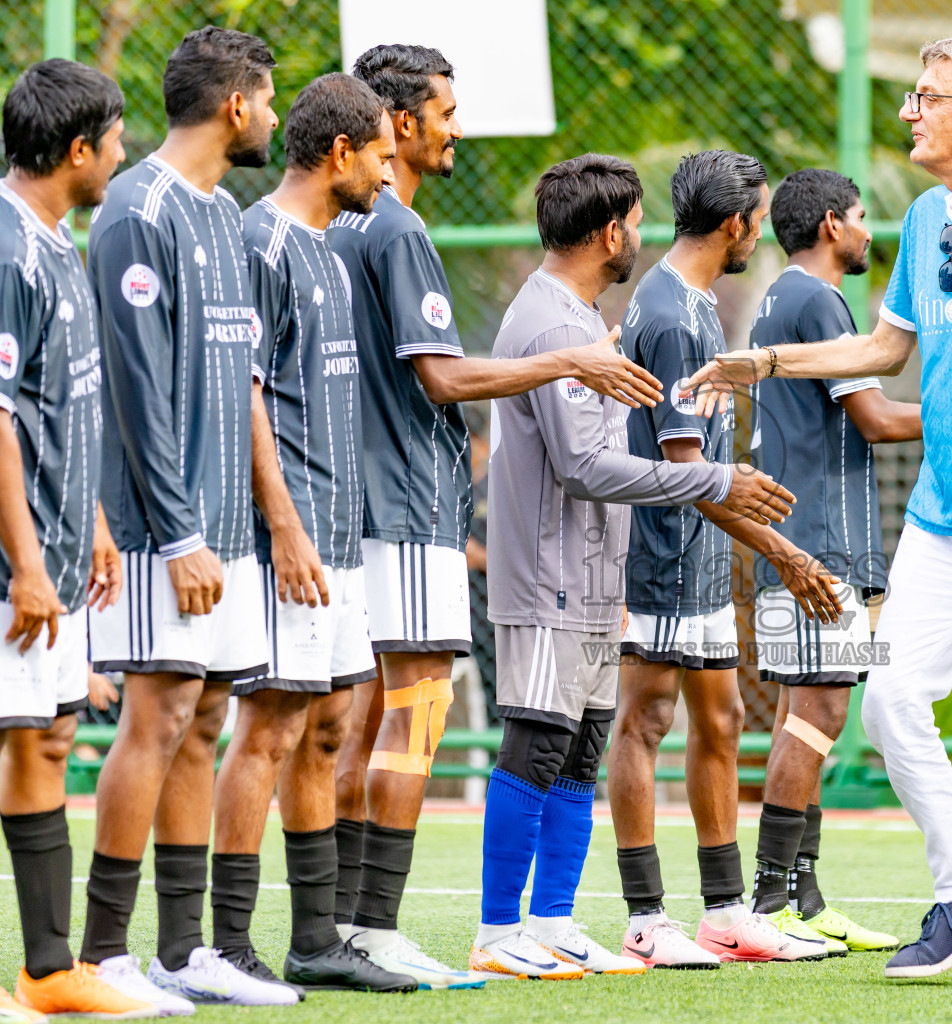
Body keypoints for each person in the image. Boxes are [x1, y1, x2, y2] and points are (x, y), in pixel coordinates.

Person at [685, 37, 952, 991]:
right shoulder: (926, 217)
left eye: (928, 98)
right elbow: (884, 351)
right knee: (886, 698)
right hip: (940, 519)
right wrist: (761, 363)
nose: (911, 112)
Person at [327, 44, 661, 987]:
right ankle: (379, 925)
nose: (457, 128)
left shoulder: (341, 233)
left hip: (365, 504)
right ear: (397, 124)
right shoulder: (393, 232)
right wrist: (571, 363)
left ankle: (351, 924)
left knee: (357, 720)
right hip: (400, 509)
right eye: (443, 111)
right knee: (410, 716)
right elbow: (442, 378)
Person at [469, 154, 796, 979]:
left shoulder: (578, 317)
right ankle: (499, 928)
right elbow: (585, 469)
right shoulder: (553, 325)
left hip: (588, 577)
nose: (641, 238)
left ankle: (552, 920)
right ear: (611, 231)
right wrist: (714, 476)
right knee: (537, 744)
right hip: (548, 575)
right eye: (637, 223)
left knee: (580, 749)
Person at [83, 27, 296, 1010]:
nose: (277, 114)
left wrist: (247, 525)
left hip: (227, 532)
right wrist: (177, 533)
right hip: (160, 531)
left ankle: (182, 948)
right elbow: (131, 389)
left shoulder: (223, 212)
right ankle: (102, 952)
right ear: (235, 106)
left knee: (206, 716)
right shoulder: (138, 208)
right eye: (270, 97)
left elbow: (234, 383)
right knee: (158, 713)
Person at [209, 73, 419, 996]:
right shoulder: (260, 243)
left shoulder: (334, 249)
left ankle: (315, 937)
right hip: (285, 543)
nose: (388, 166)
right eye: (380, 150)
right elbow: (244, 393)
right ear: (340, 153)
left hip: (341, 538)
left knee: (331, 726)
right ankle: (223, 942)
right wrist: (285, 528)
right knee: (270, 725)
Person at [607, 150, 839, 968]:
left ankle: (724, 911)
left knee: (723, 719)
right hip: (661, 554)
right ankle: (644, 916)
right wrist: (784, 551)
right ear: (736, 223)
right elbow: (681, 474)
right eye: (757, 220)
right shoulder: (670, 313)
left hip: (701, 557)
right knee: (644, 720)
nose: (758, 235)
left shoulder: (695, 303)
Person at [0, 63, 157, 1022]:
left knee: (47, 734)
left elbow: (60, 406)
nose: (122, 156)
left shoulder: (55, 241)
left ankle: (48, 970)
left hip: (58, 549)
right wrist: (32, 563)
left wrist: (92, 528)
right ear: (78, 151)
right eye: (117, 140)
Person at [744, 168, 921, 955]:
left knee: (803, 712)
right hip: (822, 543)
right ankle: (770, 900)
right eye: (858, 217)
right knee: (816, 714)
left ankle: (804, 900)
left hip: (805, 534)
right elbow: (878, 421)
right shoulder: (819, 302)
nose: (867, 231)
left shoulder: (779, 298)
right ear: (827, 224)